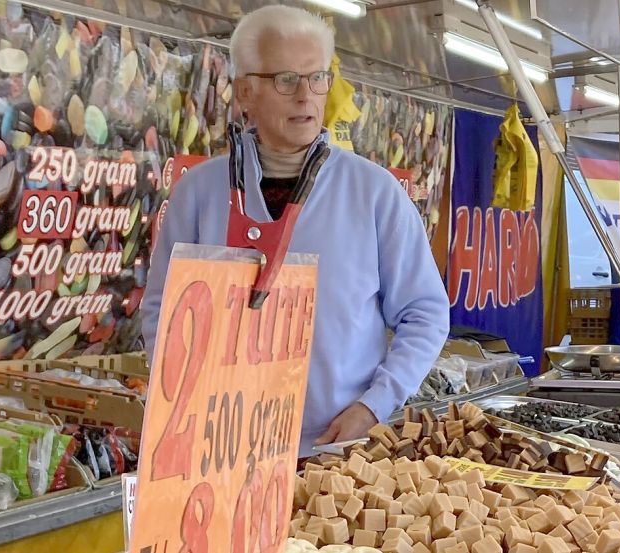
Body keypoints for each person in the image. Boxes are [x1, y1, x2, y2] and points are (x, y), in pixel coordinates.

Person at [141, 5, 450, 457]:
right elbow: (160, 312)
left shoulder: (374, 193)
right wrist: (180, 398)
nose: (306, 96)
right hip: (220, 453)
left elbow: (425, 312)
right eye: (286, 80)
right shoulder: (198, 194)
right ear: (246, 91)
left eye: (317, 78)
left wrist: (374, 406)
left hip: (334, 452)